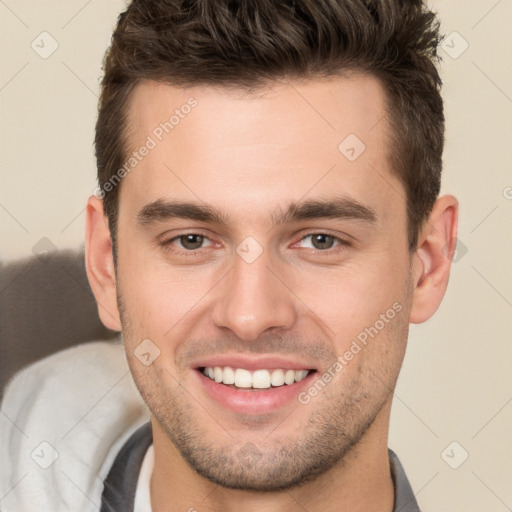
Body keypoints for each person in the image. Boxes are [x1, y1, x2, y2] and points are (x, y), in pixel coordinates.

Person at [0, 0, 459, 511]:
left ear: (428, 263)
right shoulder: (30, 427)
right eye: (191, 240)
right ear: (106, 265)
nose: (249, 315)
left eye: (320, 240)